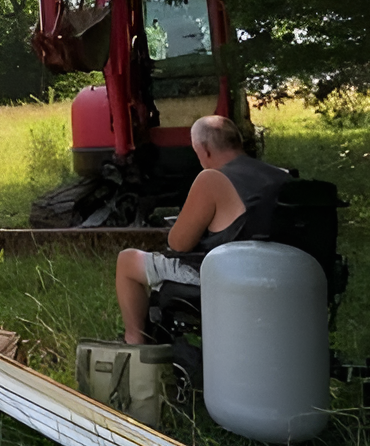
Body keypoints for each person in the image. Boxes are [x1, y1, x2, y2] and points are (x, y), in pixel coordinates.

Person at [116, 115, 290, 344]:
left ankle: (135, 345)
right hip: (281, 274)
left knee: (127, 261)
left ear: (204, 149)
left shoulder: (211, 178)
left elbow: (178, 243)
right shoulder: (282, 175)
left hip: (226, 275)